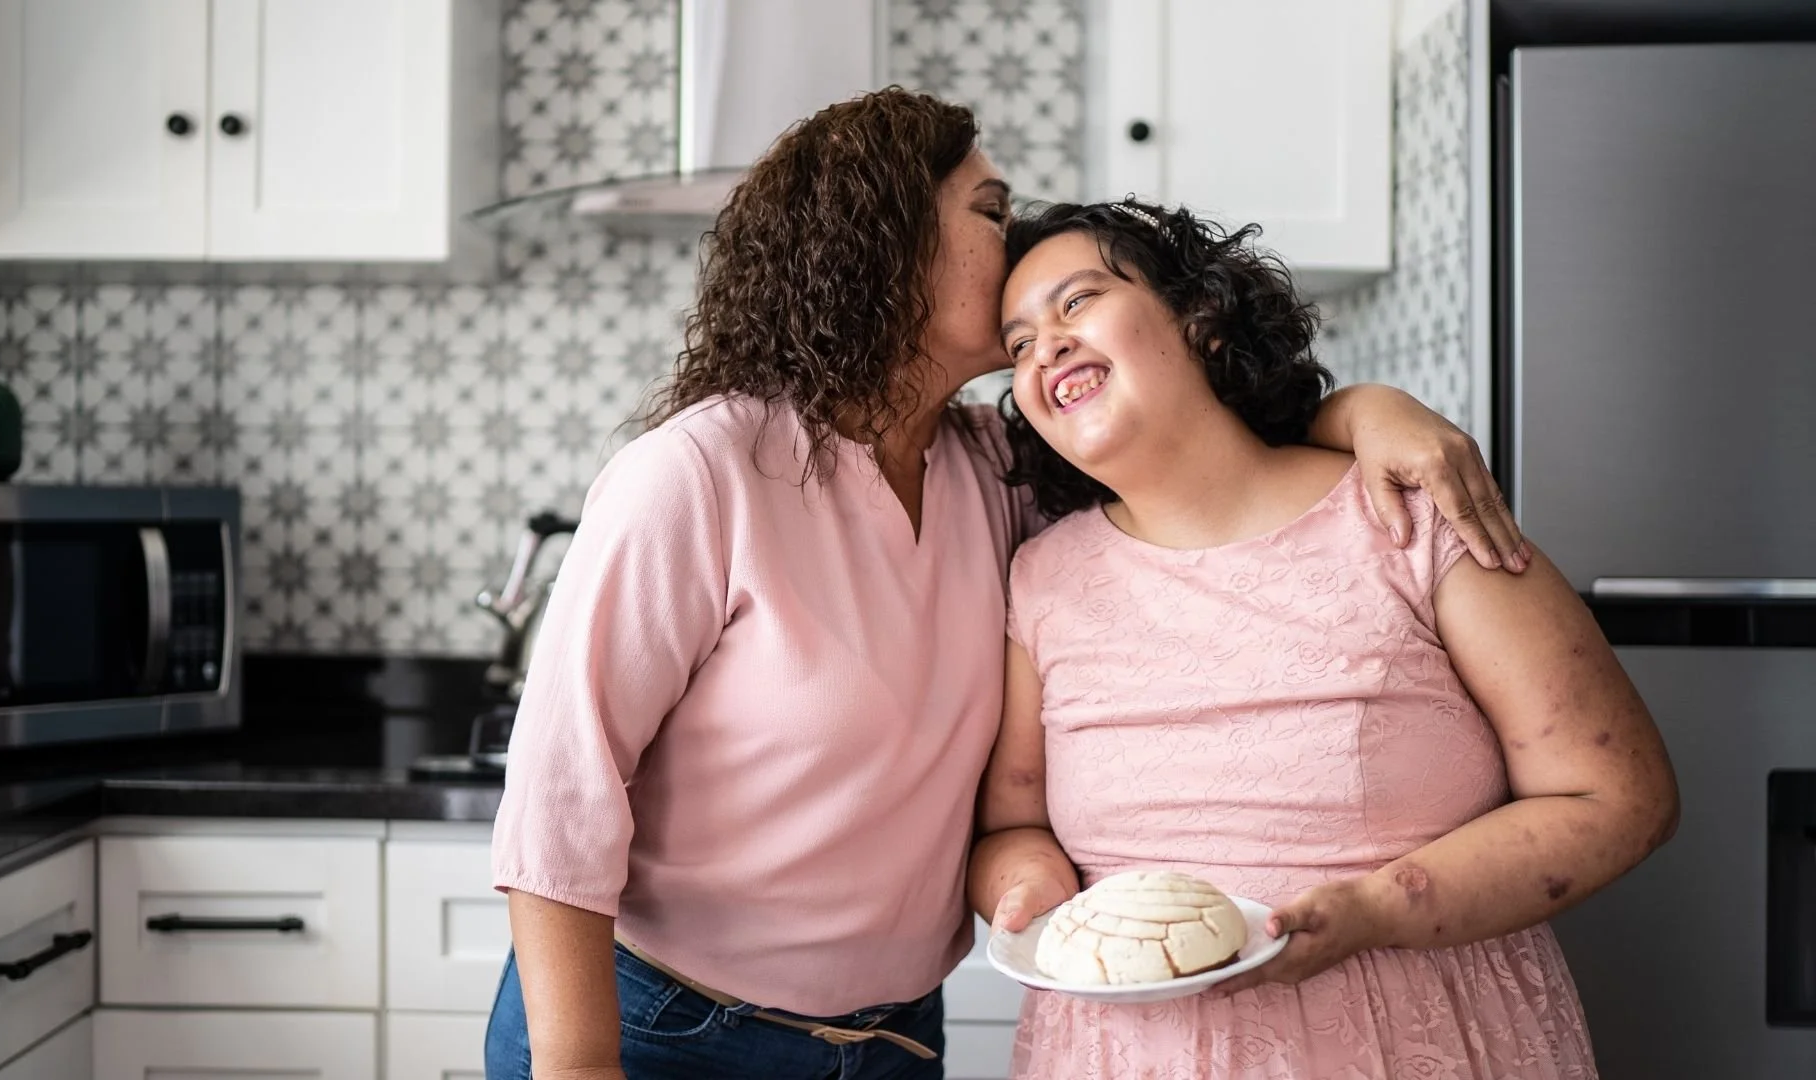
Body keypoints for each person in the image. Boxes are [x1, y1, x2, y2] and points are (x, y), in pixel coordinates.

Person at [485, 89, 1529, 1080]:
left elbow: (1200, 435)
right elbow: (559, 797)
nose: (1017, 236)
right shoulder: (701, 473)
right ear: (886, 245)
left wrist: (1369, 410)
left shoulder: (991, 464)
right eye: (991, 211)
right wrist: (580, 1067)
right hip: (664, 1035)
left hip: (892, 1041)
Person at [971, 199, 1681, 1080]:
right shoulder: (1040, 579)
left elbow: (1618, 797)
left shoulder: (1412, 517)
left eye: (1076, 303)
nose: (1046, 346)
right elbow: (1012, 824)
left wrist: (1381, 909)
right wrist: (1026, 892)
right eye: (1018, 343)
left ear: (1202, 319)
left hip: (1424, 1042)